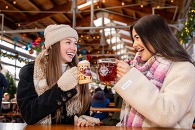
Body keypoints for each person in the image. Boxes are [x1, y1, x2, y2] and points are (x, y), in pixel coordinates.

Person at [114, 14, 195, 129]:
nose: (134, 44)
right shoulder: (140, 68)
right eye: (133, 39)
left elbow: (167, 115)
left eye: (137, 37)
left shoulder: (184, 68)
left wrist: (130, 79)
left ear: (155, 36)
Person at [17, 24, 100, 126]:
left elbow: (84, 110)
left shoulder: (78, 71)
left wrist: (83, 119)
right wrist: (60, 88)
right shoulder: (30, 71)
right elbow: (28, 115)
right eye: (68, 42)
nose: (74, 48)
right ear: (52, 45)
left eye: (75, 43)